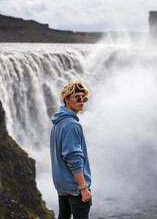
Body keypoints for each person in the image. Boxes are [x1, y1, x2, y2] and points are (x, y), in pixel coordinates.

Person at [50, 81, 92, 219]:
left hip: (63, 188)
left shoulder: (58, 123)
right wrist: (83, 188)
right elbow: (73, 157)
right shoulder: (71, 125)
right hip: (76, 189)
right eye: (77, 97)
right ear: (67, 99)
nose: (81, 101)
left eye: (83, 98)